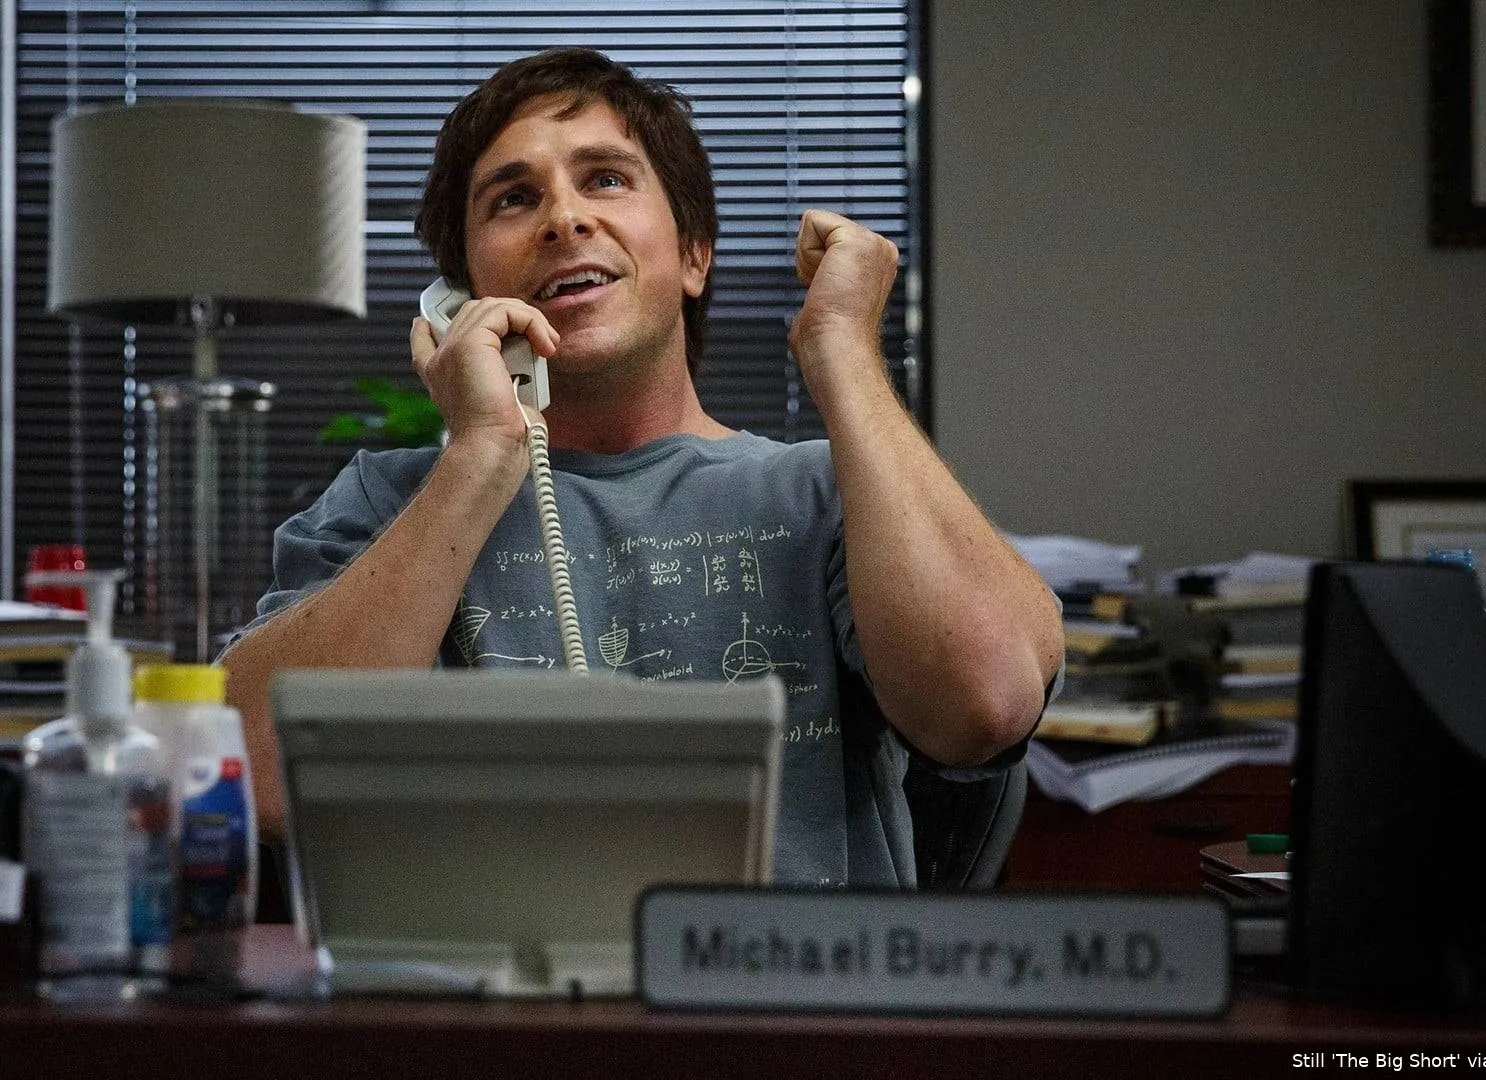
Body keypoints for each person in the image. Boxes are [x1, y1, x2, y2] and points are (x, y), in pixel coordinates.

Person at [221, 48, 1063, 887]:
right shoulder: (390, 502)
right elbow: (250, 780)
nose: (564, 219)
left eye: (606, 179)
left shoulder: (826, 492)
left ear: (695, 253)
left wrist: (843, 348)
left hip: (771, 972)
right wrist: (479, 455)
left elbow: (985, 704)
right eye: (514, 198)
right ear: (462, 295)